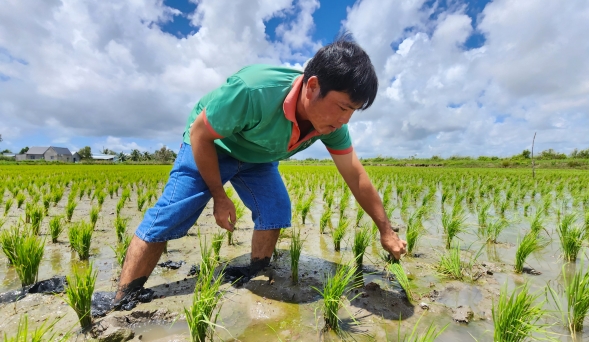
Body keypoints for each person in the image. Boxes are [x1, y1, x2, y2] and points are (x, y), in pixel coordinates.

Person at [112, 36, 407, 307]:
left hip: (259, 157)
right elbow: (201, 134)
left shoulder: (330, 125)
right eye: (342, 107)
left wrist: (386, 230)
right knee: (171, 214)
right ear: (313, 86)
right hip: (213, 145)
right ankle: (125, 296)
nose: (345, 120)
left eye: (352, 112)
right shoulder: (253, 90)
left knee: (276, 208)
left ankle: (255, 269)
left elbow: (355, 175)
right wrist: (219, 195)